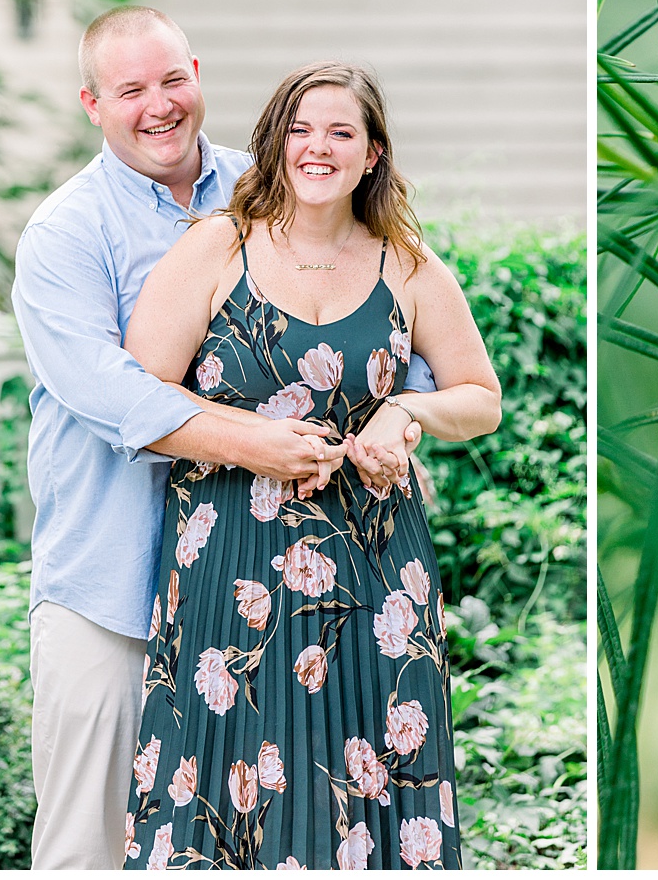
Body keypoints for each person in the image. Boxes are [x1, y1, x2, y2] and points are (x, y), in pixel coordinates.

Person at [12, 9, 438, 869]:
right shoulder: (66, 233)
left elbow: (398, 331)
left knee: (258, 836)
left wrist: (403, 412)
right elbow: (111, 392)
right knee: (90, 850)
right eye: (130, 90)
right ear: (93, 104)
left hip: (259, 588)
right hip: (111, 583)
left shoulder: (274, 185)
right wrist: (255, 441)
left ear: (198, 74)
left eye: (172, 79)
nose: (158, 105)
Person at [119, 61, 500, 871]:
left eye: (340, 132)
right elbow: (141, 406)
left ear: (372, 155)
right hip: (232, 560)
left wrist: (406, 411)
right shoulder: (216, 247)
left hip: (375, 566)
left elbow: (480, 397)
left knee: (364, 765)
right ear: (273, 143)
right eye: (299, 129)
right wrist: (250, 438)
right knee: (231, 777)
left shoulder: (407, 262)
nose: (316, 148)